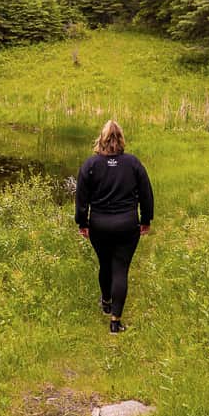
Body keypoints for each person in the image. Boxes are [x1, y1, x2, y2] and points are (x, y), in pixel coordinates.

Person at [74, 119, 154, 334]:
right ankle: (115, 322)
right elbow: (146, 194)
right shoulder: (133, 163)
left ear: (101, 139)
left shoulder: (90, 165)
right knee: (120, 269)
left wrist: (83, 223)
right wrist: (146, 220)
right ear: (121, 140)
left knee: (105, 264)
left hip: (99, 225)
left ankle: (107, 301)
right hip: (127, 224)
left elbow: (81, 198)